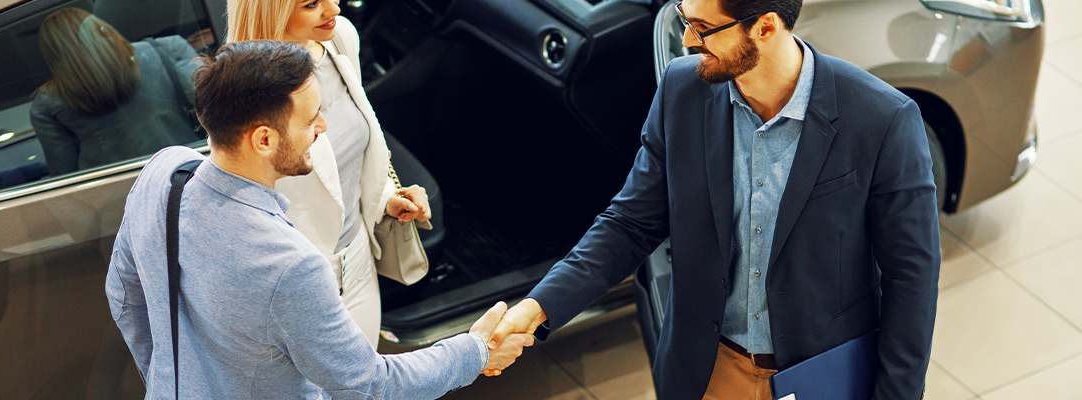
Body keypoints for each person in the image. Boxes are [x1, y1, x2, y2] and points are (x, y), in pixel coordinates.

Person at [487, 0, 942, 398]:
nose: (686, 40)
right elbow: (629, 222)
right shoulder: (681, 92)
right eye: (685, 18)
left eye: (703, 28)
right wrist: (538, 306)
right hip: (706, 371)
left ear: (765, 27)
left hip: (823, 373)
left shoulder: (884, 118)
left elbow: (911, 277)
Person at [106, 40, 531, 398]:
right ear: (264, 138)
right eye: (310, 120)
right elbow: (368, 385)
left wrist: (171, 383)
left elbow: (123, 295)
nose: (323, 127)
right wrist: (476, 353)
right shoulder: (290, 266)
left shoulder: (164, 173)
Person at [226, 0, 433, 347]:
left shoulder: (339, 40)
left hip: (358, 261)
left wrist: (384, 198)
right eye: (311, 4)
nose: (333, 10)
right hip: (294, 283)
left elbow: (351, 146)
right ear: (270, 11)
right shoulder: (243, 90)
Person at [31, 8, 203, 176]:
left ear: (52, 56)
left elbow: (64, 175)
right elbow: (212, 108)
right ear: (101, 29)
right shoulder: (169, 49)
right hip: (185, 172)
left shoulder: (47, 103)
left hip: (113, 192)